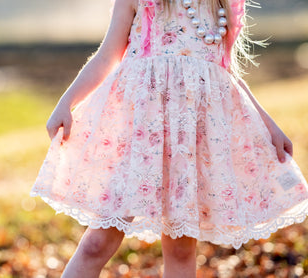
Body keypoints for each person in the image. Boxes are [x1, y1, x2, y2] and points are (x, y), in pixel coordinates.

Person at [30, 0, 308, 277]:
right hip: (141, 139)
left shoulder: (222, 6)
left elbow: (228, 73)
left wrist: (269, 124)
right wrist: (66, 102)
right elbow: (106, 57)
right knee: (98, 242)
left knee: (181, 250)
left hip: (192, 141)